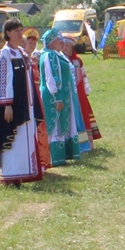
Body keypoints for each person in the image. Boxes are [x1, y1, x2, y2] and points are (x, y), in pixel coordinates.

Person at [0, 19, 46, 185]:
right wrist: (7, 105)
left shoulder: (20, 51)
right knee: (13, 140)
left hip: (27, 104)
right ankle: (11, 174)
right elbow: (3, 81)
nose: (21, 33)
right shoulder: (5, 54)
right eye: (17, 30)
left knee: (24, 139)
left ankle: (23, 172)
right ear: (8, 33)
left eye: (21, 30)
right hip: (14, 105)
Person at [37, 29, 84, 163]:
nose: (62, 42)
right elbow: (51, 77)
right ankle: (54, 157)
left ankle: (63, 154)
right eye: (59, 40)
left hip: (63, 95)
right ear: (51, 42)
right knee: (55, 124)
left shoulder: (57, 54)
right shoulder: (49, 56)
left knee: (63, 123)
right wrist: (57, 97)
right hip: (54, 95)